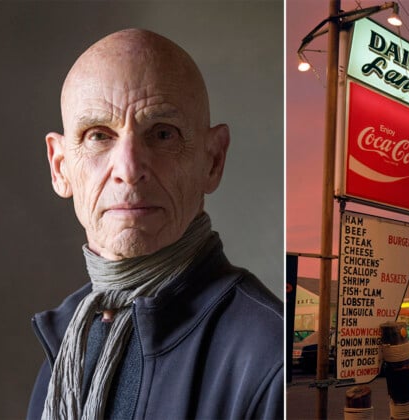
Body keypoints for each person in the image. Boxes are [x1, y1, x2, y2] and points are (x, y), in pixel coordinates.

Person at [27, 29, 283, 419]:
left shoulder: (269, 357)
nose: (129, 171)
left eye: (162, 134)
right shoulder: (65, 346)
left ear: (213, 161)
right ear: (60, 167)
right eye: (98, 135)